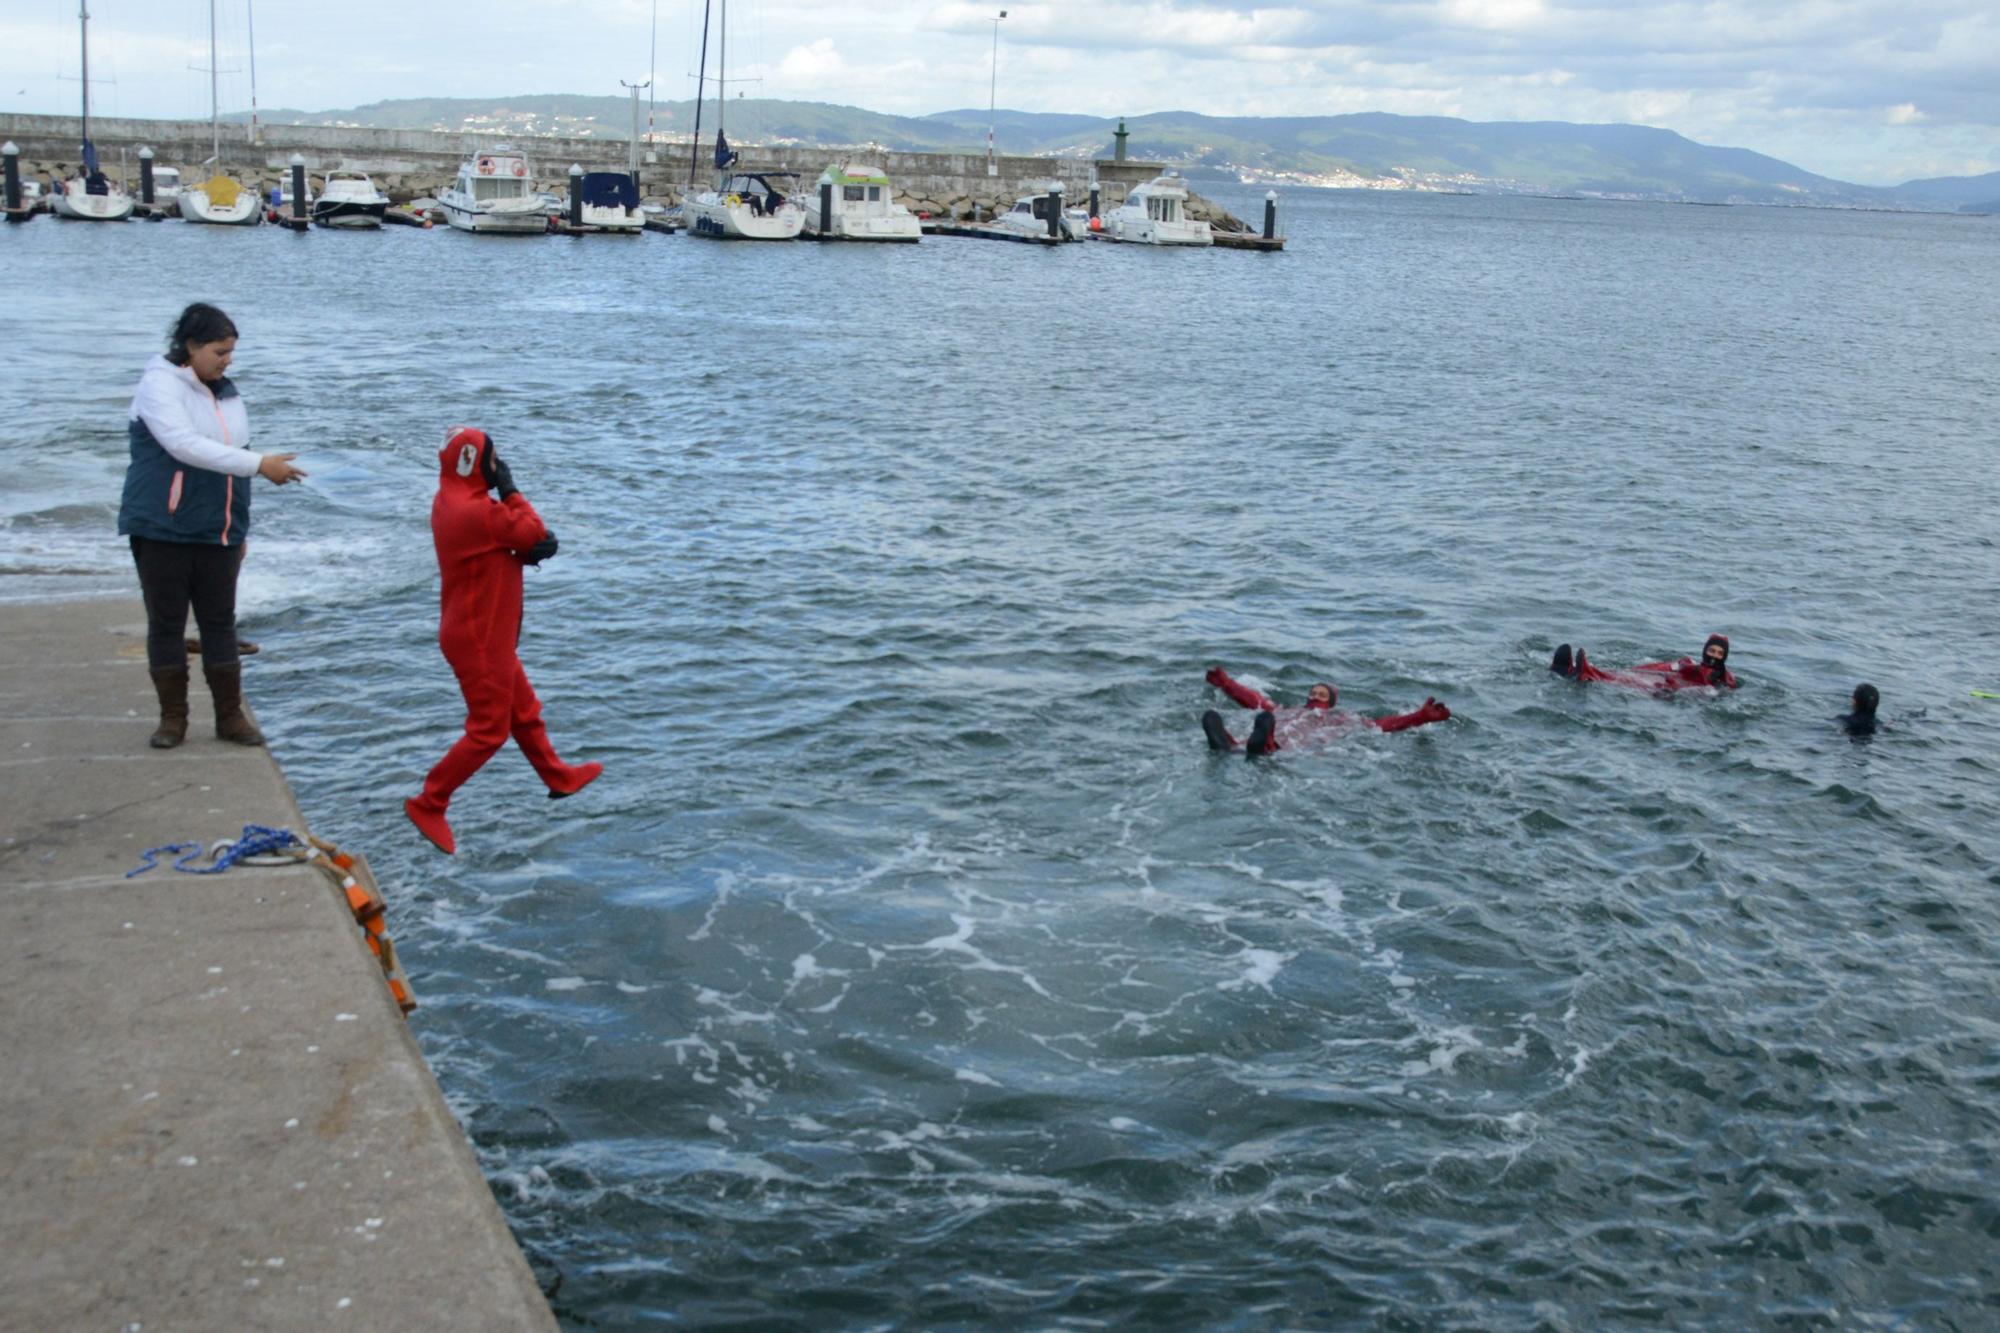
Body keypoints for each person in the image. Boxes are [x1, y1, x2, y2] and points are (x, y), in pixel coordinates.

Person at [117, 303, 307, 749]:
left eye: (231, 352)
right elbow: (185, 447)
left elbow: (233, 458)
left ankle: (230, 718)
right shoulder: (158, 386)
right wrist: (261, 465)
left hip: (217, 531)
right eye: (220, 351)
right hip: (162, 527)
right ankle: (173, 720)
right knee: (166, 625)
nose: (227, 360)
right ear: (191, 346)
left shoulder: (225, 390)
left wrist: (238, 530)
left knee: (220, 623)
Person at [404, 427, 601, 856]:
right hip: (479, 637)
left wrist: (522, 553)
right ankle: (429, 802)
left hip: (478, 632)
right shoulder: (480, 512)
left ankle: (557, 777)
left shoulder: (450, 500)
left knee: (524, 712)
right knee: (489, 731)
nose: (498, 467)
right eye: (494, 460)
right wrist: (512, 490)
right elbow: (530, 529)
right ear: (481, 463)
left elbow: (499, 547)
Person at [1201, 665, 1451, 756]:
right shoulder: (1287, 709)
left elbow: (1381, 725)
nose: (1315, 695)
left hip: (1293, 745)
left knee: (1275, 730)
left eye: (1322, 694)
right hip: (1273, 728)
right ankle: (1232, 743)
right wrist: (1227, 684)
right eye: (1312, 692)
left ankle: (1263, 743)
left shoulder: (1341, 718)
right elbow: (1253, 700)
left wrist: (1419, 717)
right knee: (1266, 717)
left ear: (1331, 702)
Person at [1548, 634, 1737, 692]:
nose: (1714, 655)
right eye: (1711, 650)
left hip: (1675, 687)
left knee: (1634, 682)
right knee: (1629, 673)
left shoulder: (1721, 677)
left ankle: (1586, 674)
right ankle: (1576, 670)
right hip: (1671, 675)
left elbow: (1721, 690)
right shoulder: (1693, 663)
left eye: (1720, 653)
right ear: (1705, 649)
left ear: (1725, 656)